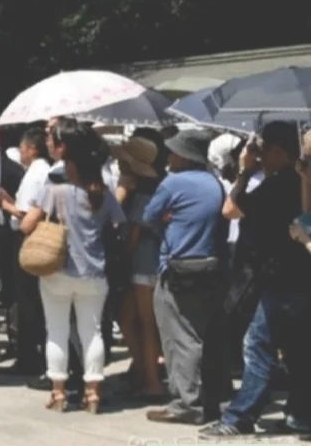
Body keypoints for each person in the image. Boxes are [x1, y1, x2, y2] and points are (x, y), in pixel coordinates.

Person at [202, 122, 311, 437]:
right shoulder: (300, 182)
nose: (259, 158)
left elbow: (230, 208)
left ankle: (240, 417)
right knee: (298, 351)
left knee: (258, 347)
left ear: (278, 152)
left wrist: (245, 172)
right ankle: (300, 415)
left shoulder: (279, 184)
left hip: (278, 278)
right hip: (298, 276)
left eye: (262, 152)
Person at [21, 126, 124, 413]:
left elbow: (26, 225)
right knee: (92, 332)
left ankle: (59, 392)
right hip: (94, 272)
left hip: (58, 271)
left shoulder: (54, 190)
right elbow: (118, 222)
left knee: (56, 330)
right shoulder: (101, 192)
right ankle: (93, 393)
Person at [143, 129, 226, 425]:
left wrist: (168, 222)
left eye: (174, 152)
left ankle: (186, 402)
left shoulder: (173, 183)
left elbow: (150, 217)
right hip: (209, 266)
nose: (169, 157)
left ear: (184, 155)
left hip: (177, 268)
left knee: (179, 338)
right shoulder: (215, 183)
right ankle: (201, 396)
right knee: (196, 335)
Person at [110, 136, 165, 400]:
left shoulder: (143, 193)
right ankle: (143, 367)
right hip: (146, 261)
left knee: (145, 322)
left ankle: (151, 379)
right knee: (128, 316)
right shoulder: (149, 189)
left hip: (144, 262)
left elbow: (134, 232)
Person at [0, 126, 51, 376]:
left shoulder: (36, 174)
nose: (20, 151)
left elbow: (27, 215)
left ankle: (29, 359)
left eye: (24, 146)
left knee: (27, 301)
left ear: (32, 149)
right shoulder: (37, 172)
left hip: (28, 238)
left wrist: (5, 205)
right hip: (27, 236)